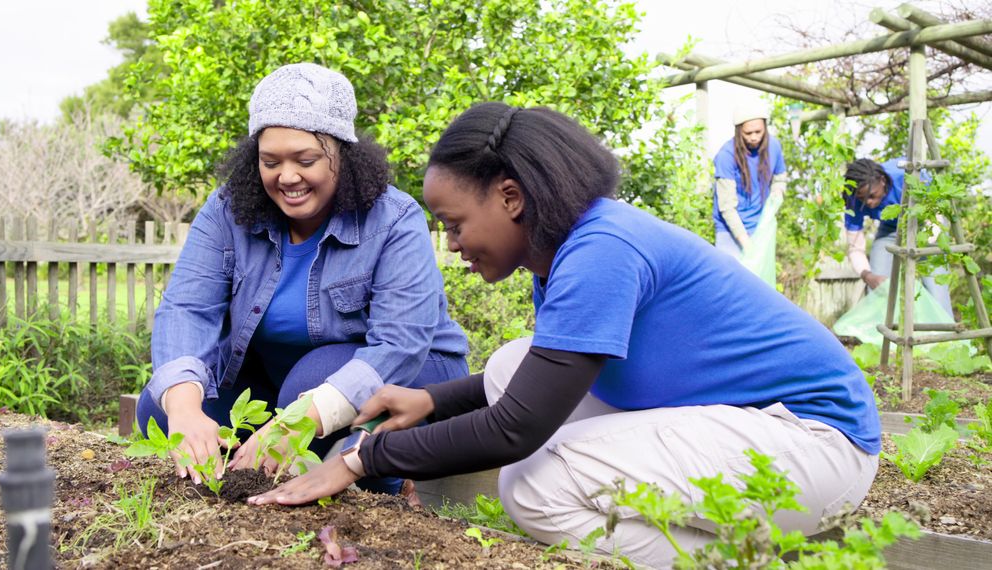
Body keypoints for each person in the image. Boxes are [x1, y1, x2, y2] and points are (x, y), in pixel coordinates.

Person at [250, 102, 881, 569]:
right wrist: (433, 401)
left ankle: (735, 559)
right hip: (747, 424)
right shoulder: (566, 250)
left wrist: (360, 460)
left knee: (535, 486)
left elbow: (514, 430)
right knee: (507, 366)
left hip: (815, 444)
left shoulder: (601, 251)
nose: (452, 244)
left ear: (510, 196)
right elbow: (538, 383)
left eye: (455, 223)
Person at [137, 63, 469, 495]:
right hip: (282, 386)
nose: (286, 177)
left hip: (411, 372)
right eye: (270, 161)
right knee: (162, 405)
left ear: (342, 155)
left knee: (308, 382)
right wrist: (184, 408)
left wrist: (297, 422)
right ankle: (236, 478)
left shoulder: (393, 218)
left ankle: (385, 487)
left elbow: (400, 343)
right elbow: (187, 307)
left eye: (306, 160)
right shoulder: (226, 211)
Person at [843, 157, 953, 315]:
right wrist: (868, 276)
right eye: (863, 198)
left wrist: (918, 247)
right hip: (891, 228)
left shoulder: (906, 176)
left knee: (936, 287)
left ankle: (944, 336)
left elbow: (935, 215)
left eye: (872, 195)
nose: (868, 202)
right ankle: (882, 336)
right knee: (879, 284)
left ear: (882, 181)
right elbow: (855, 248)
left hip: (927, 222)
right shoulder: (853, 200)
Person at [712, 100, 788, 257]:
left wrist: (778, 191)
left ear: (765, 128)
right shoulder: (726, 156)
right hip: (729, 232)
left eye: (758, 132)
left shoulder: (774, 146)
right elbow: (727, 207)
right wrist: (746, 242)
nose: (754, 137)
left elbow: (780, 178)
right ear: (739, 131)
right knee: (732, 279)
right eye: (748, 133)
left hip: (760, 228)